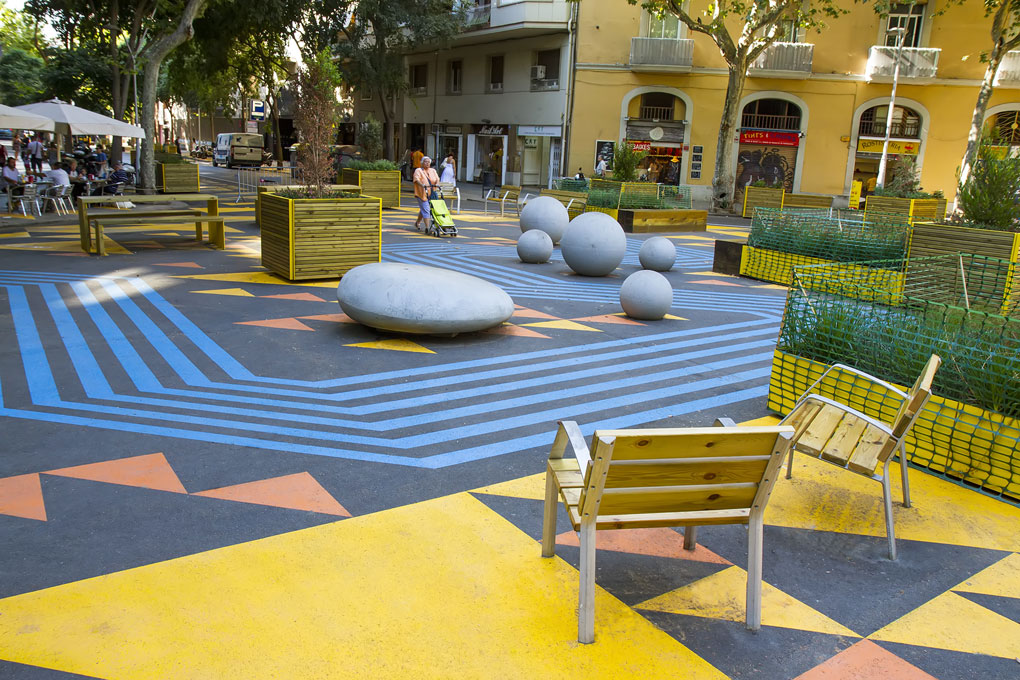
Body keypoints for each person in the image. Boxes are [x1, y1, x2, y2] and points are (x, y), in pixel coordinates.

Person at [412, 155, 440, 234]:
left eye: (428, 162)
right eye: (425, 162)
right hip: (422, 193)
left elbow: (437, 179)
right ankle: (427, 228)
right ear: (422, 163)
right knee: (426, 209)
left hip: (432, 193)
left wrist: (437, 184)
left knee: (424, 209)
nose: (427, 163)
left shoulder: (433, 170)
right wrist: (422, 185)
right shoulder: (418, 170)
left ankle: (417, 223)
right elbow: (416, 179)